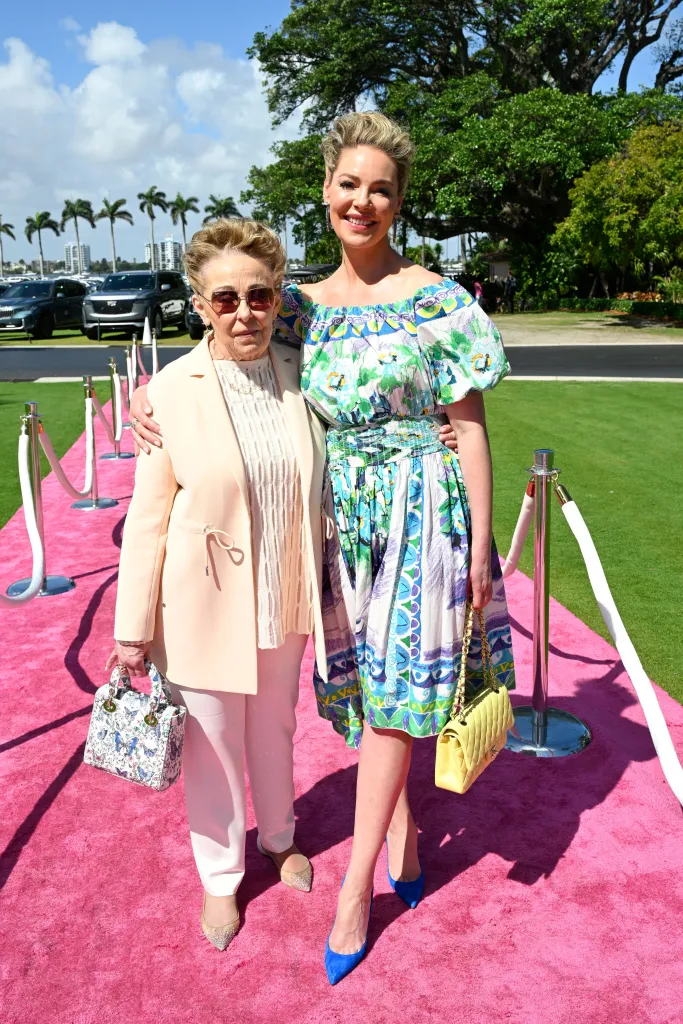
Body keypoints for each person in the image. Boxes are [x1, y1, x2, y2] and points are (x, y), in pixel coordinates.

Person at [131, 112, 515, 985]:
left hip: (425, 514)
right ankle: (407, 842)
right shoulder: (299, 305)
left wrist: (483, 548)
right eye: (349, 184)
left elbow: (471, 428)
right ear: (327, 191)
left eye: (380, 188)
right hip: (336, 522)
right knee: (363, 687)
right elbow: (229, 343)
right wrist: (157, 402)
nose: (363, 201)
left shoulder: (438, 298)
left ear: (398, 201)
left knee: (393, 695)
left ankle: (353, 893)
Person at [107, 219, 330, 953]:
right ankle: (219, 873)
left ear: (277, 297)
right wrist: (131, 629)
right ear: (200, 305)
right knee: (210, 744)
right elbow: (148, 519)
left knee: (274, 728)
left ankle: (279, 836)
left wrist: (443, 430)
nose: (244, 312)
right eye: (225, 298)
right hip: (199, 602)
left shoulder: (304, 372)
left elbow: (368, 429)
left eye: (259, 295)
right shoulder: (169, 392)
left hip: (284, 593)